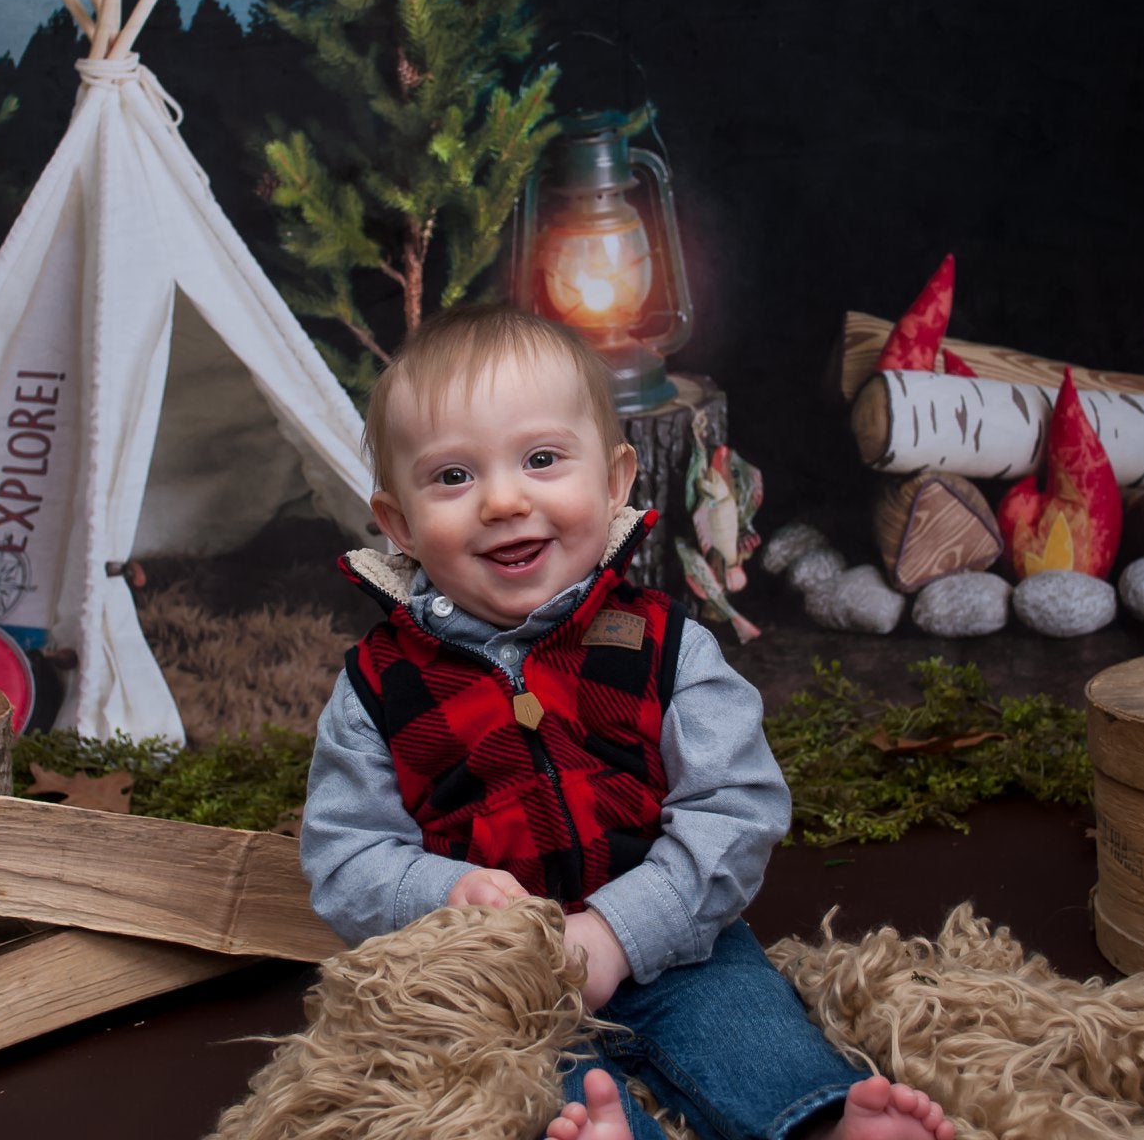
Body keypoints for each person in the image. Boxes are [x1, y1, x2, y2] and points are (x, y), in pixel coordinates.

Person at [300, 305, 954, 1140]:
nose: (504, 500)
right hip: (504, 980)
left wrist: (617, 931)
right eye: (453, 478)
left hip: (671, 934)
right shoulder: (378, 688)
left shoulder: (663, 647)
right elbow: (345, 855)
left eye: (541, 460)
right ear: (397, 525)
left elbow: (735, 809)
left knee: (746, 1025)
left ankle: (823, 1124)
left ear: (614, 482)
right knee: (504, 1079)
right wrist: (444, 895)